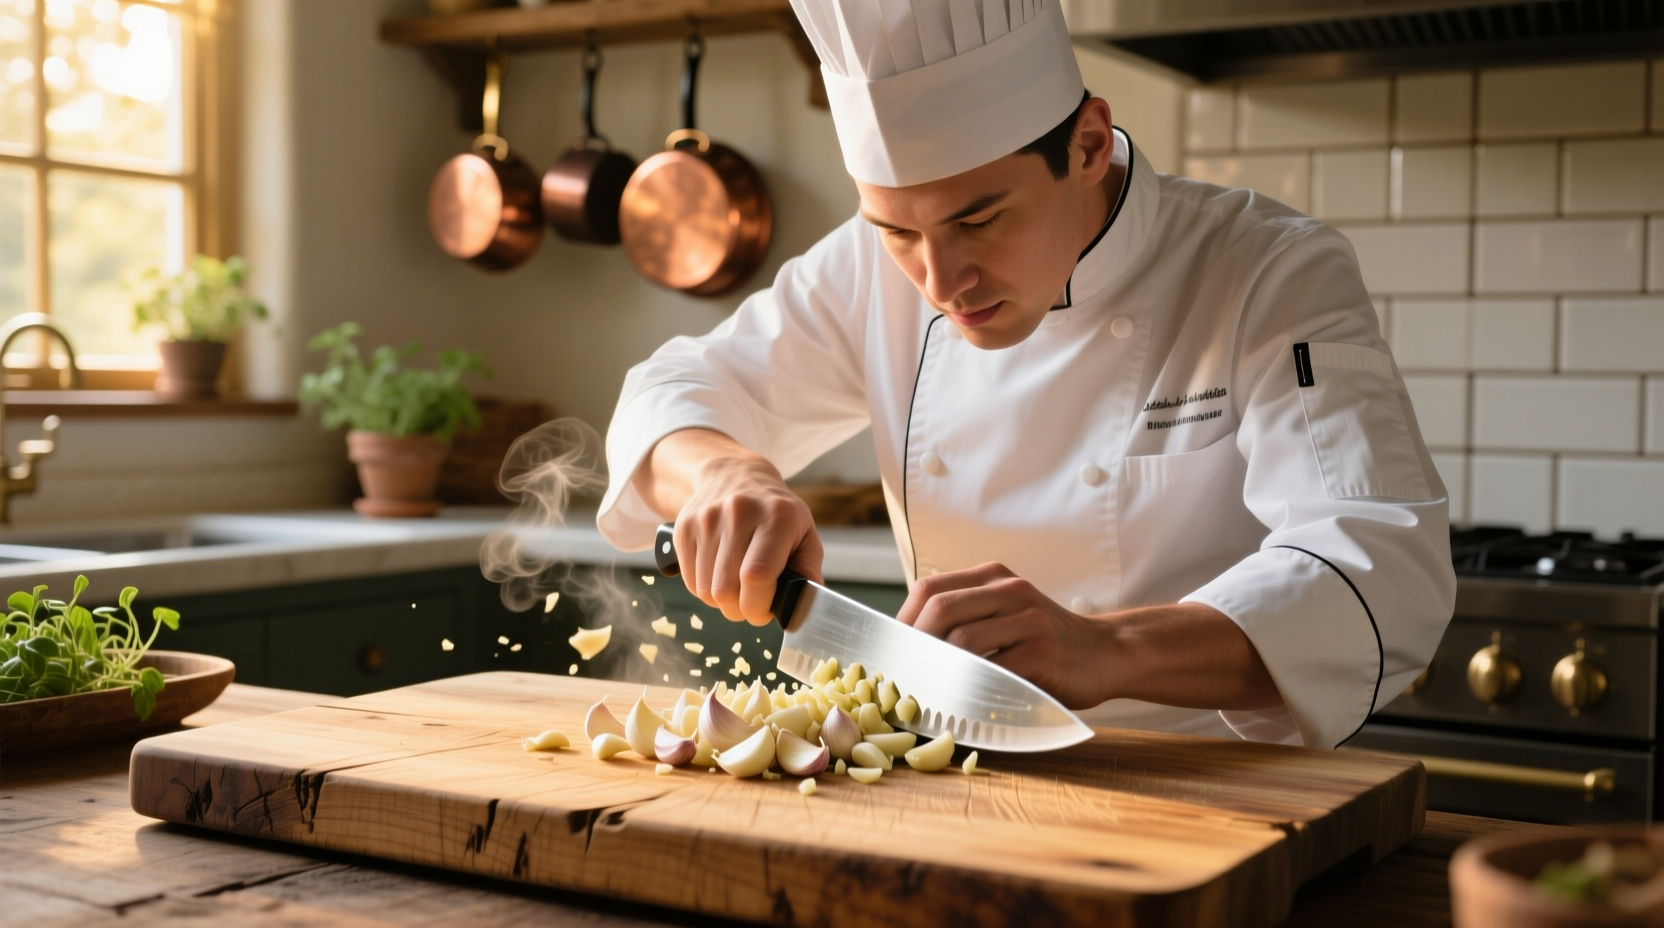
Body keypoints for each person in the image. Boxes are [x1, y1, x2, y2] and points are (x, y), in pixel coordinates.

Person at [597, 0, 1454, 748]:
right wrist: (723, 470)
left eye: (979, 218)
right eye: (897, 231)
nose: (939, 282)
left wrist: (1107, 650)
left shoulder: (1267, 272)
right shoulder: (867, 270)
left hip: (1212, 794)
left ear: (1085, 145)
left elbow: (1379, 565)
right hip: (961, 777)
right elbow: (671, 389)